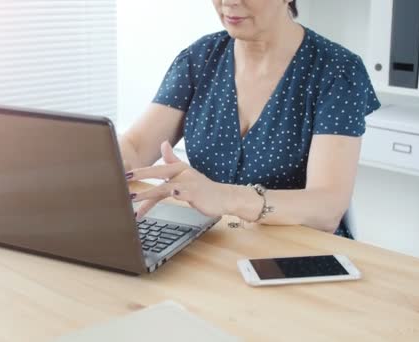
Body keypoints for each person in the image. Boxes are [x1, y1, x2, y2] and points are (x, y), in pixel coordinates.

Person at [118, 0, 381, 238]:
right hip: (217, 242)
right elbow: (136, 147)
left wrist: (227, 198)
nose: (229, 2)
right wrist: (94, 164)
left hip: (302, 255)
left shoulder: (336, 71)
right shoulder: (200, 58)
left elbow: (327, 207)